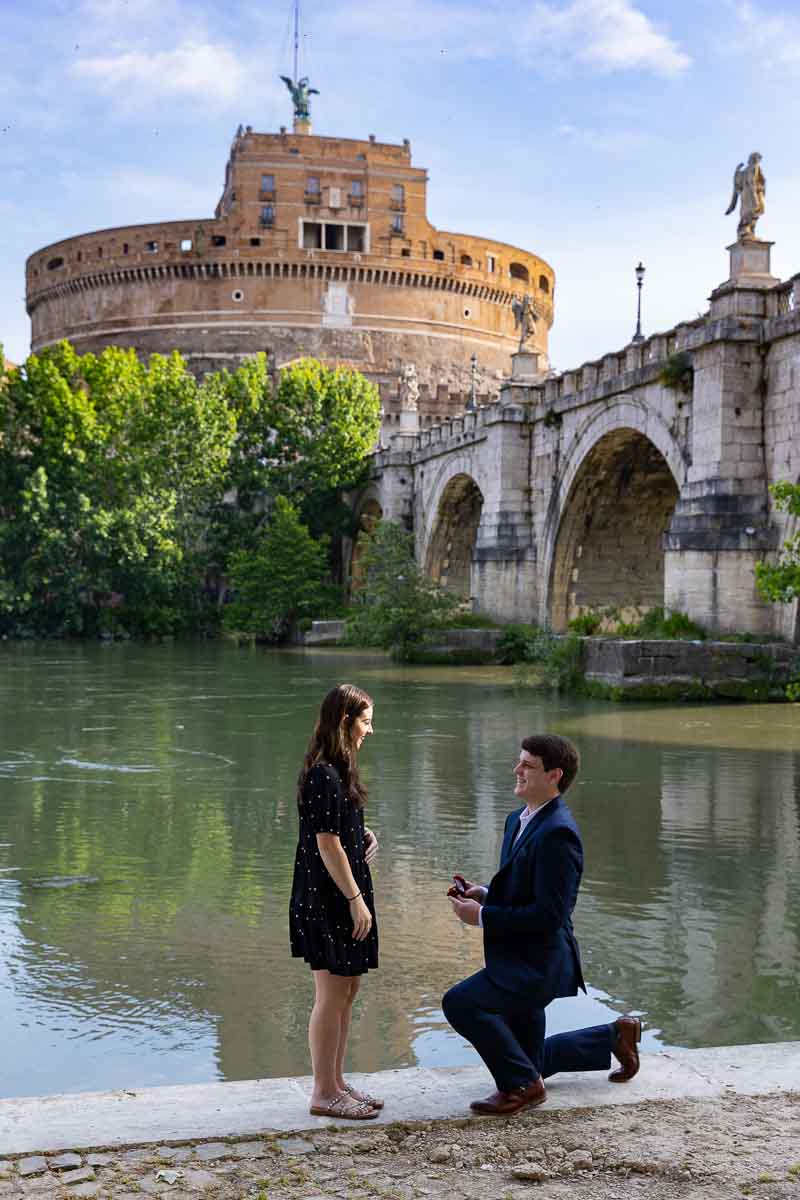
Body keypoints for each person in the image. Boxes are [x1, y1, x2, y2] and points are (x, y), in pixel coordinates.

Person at [442, 733, 641, 1116]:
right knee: (527, 1058)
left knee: (461, 1004)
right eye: (519, 762)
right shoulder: (517, 819)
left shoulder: (559, 834)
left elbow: (550, 916)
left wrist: (481, 917)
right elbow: (525, 892)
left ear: (554, 776)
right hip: (516, 957)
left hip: (538, 965)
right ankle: (614, 1037)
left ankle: (523, 1089)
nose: (517, 770)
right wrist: (484, 894)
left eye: (528, 765)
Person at [289, 683, 382, 1120]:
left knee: (348, 986)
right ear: (345, 721)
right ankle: (324, 1092)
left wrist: (363, 834)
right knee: (331, 991)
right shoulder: (324, 773)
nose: (369, 730)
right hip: (330, 898)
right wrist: (355, 899)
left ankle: (337, 1082)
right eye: (365, 721)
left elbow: (334, 833)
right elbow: (326, 845)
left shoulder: (336, 771)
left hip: (339, 892)